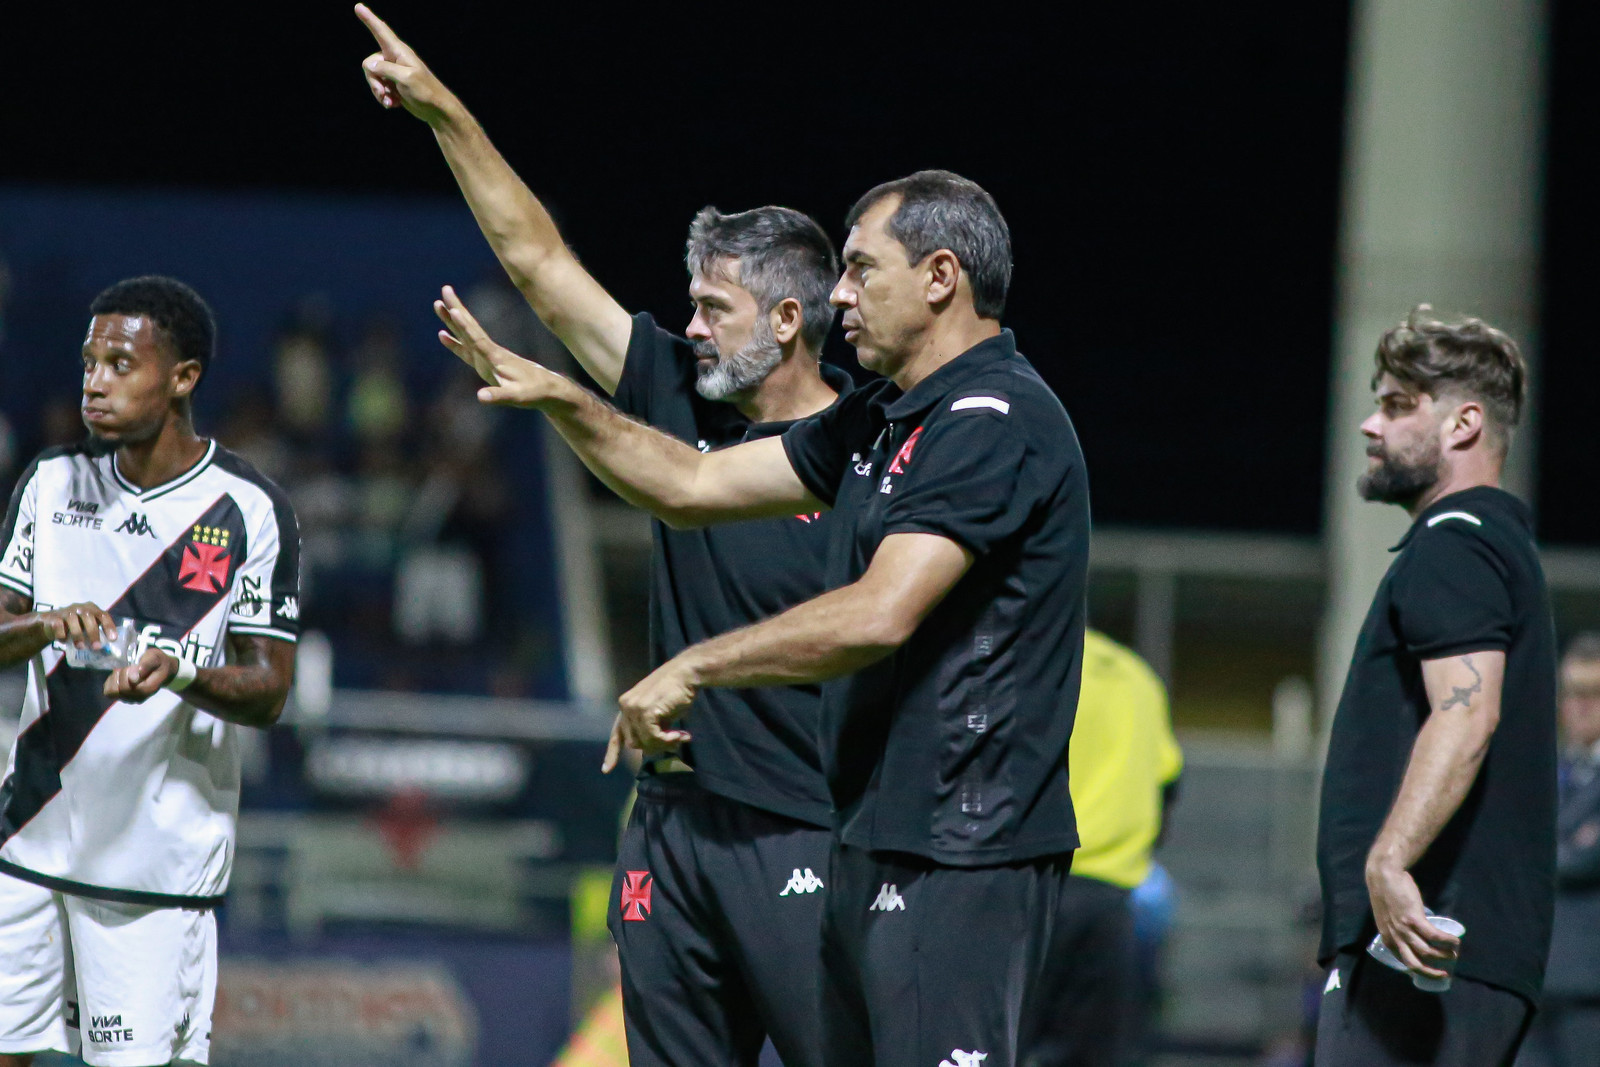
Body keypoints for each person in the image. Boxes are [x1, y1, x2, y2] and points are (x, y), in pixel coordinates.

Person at [433, 168, 1089, 1067]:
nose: (843, 293)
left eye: (861, 269)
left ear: (941, 277)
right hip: (876, 833)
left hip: (962, 848)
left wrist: (696, 665)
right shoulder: (884, 420)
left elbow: (881, 613)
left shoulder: (992, 416)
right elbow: (694, 482)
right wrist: (565, 401)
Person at [355, 10, 851, 1066]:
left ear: (788, 321)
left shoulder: (870, 451)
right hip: (669, 822)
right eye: (692, 302)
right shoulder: (676, 387)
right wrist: (445, 114)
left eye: (715, 307)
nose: (693, 323)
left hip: (805, 828)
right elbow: (536, 256)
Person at [0, 277, 301, 1067]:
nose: (95, 380)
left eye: (121, 362)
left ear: (183, 377)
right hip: (25, 838)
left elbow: (270, 689)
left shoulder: (247, 510)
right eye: (89, 361)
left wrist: (179, 674)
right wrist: (38, 627)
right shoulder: (51, 482)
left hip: (151, 873)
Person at [1314, 307, 1556, 1066]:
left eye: (1394, 405)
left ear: (1463, 424)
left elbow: (1466, 711)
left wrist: (1389, 860)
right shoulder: (1498, 547)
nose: (1368, 425)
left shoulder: (1455, 542)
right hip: (1452, 957)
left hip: (1422, 951)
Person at [1025, 629, 1182, 1067]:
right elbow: (1166, 783)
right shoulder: (1137, 676)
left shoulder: (1031, 656)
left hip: (1031, 885)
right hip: (1114, 899)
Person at [1517, 633, 1600, 1067]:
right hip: (1532, 981)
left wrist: (1532, 852)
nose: (1581, 705)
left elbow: (1582, 860)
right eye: (1571, 693)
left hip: (1590, 992)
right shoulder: (1543, 773)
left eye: (1594, 693)